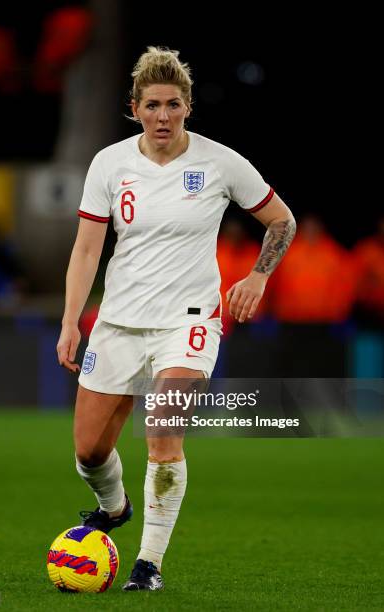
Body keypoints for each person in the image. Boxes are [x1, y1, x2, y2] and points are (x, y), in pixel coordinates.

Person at [56, 46, 296, 591]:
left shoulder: (220, 162)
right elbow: (87, 250)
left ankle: (148, 565)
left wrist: (258, 276)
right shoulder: (110, 164)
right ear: (134, 108)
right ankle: (113, 509)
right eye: (152, 106)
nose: (163, 116)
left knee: (163, 430)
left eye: (173, 105)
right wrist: (72, 321)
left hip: (187, 322)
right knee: (90, 452)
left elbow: (281, 221)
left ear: (188, 107)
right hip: (117, 322)